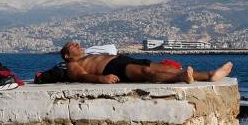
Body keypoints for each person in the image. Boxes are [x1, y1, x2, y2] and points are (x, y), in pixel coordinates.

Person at [59, 41, 233, 85]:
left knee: (165, 67)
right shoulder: (72, 65)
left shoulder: (89, 53)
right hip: (111, 68)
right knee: (146, 72)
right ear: (67, 55)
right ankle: (182, 77)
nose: (76, 45)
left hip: (121, 60)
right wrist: (101, 79)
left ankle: (209, 75)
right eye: (71, 46)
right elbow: (81, 77)